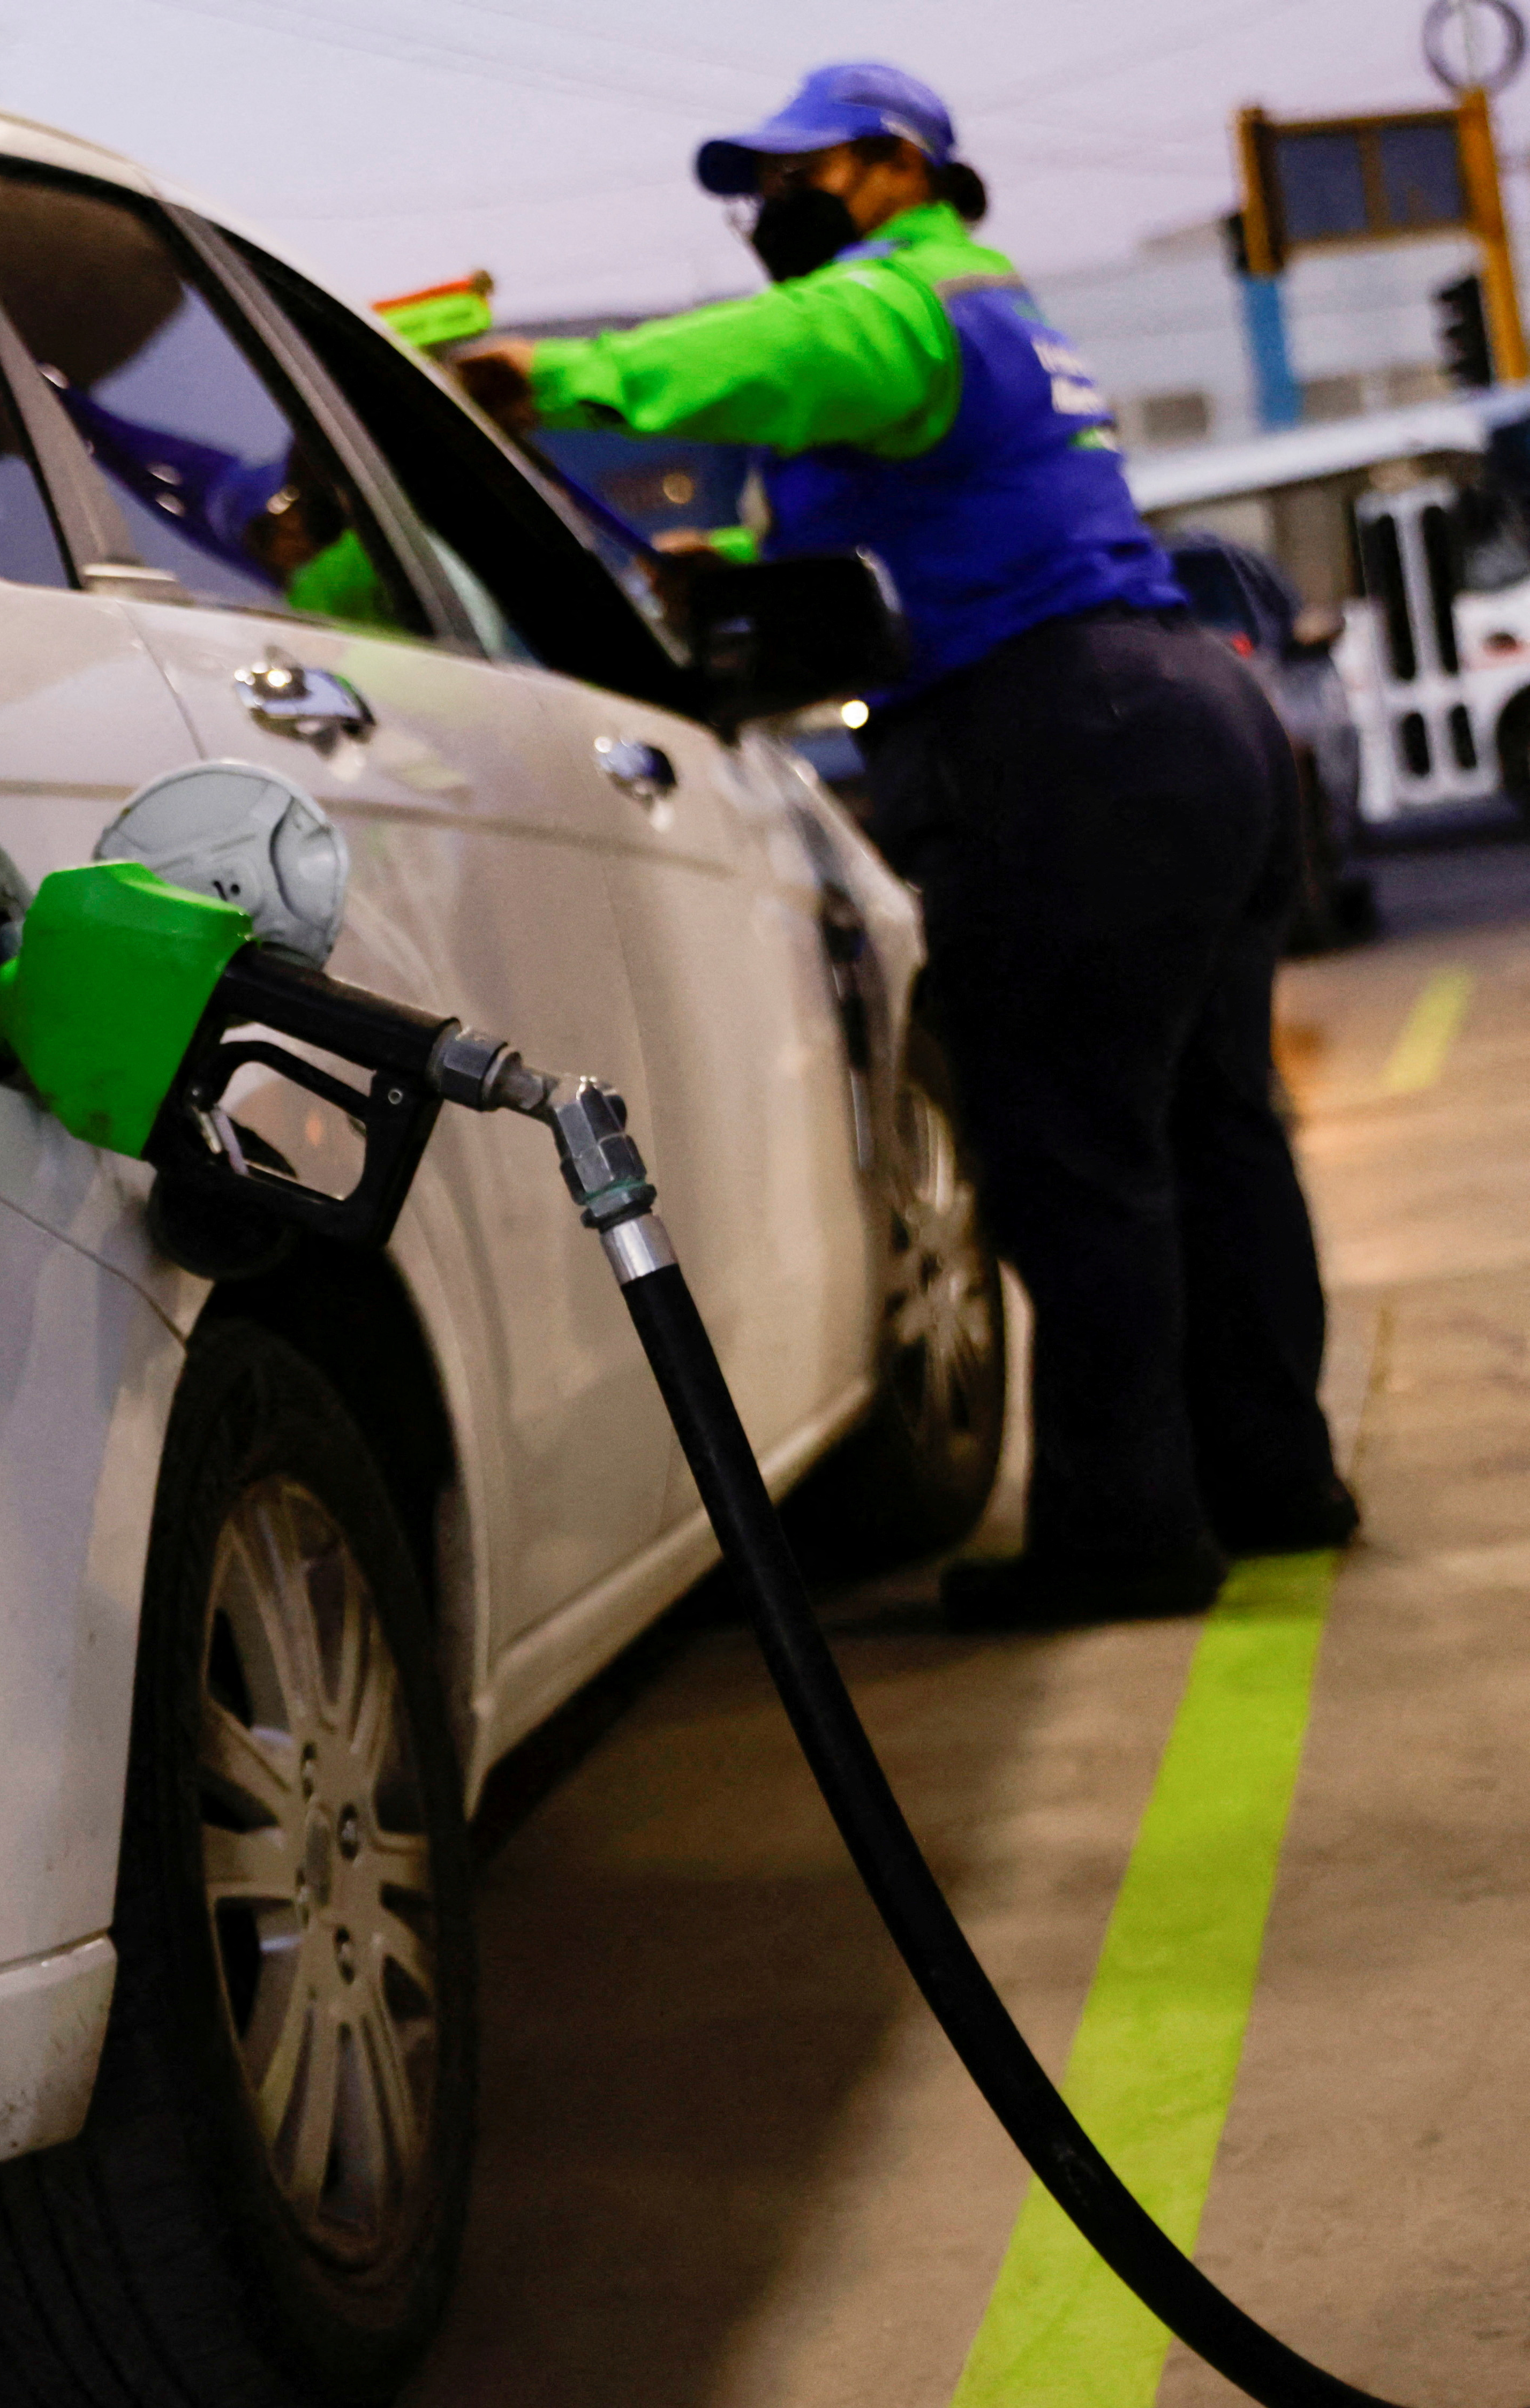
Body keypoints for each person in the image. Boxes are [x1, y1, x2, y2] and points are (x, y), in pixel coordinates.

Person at [453, 62, 1355, 1629]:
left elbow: (793, 352)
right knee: (1215, 1133)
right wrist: (722, 559)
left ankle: (1125, 1535)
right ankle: (1276, 1485)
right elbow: (871, 543)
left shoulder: (908, 300)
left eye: (787, 176)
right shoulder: (979, 335)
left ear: (889, 162)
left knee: (1077, 1157)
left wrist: (557, 380)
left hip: (1066, 735)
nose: (762, 214)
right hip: (1183, 716)